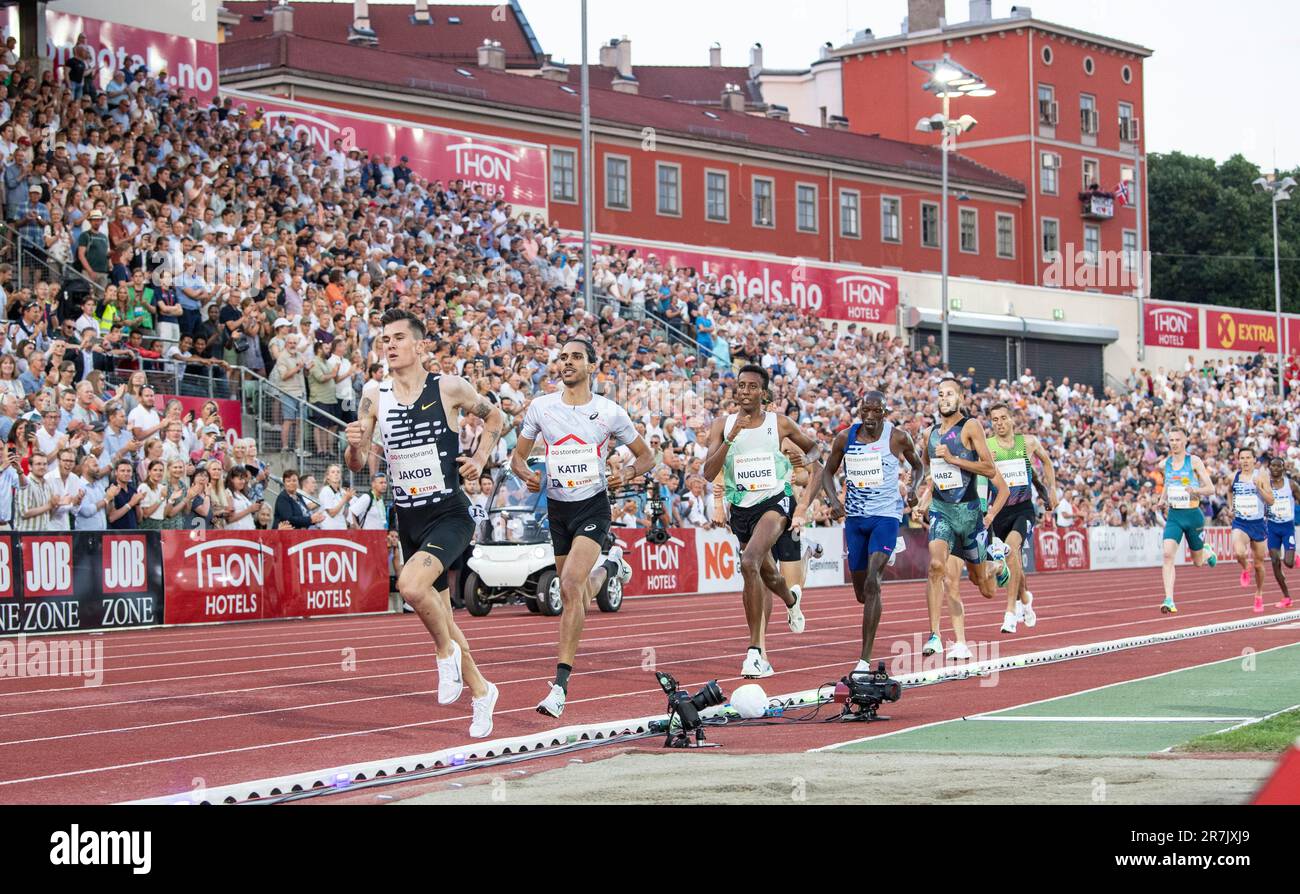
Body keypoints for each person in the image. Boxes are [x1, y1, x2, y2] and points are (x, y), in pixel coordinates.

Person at [345, 308, 504, 739]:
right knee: (445, 617)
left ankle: (443, 655)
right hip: (408, 517)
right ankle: (482, 692)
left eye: (398, 338)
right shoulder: (373, 394)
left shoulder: (448, 386)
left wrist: (479, 458)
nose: (390, 346)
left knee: (411, 588)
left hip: (449, 512)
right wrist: (354, 447)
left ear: (418, 345)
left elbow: (496, 417)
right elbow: (358, 462)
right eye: (384, 340)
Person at [511, 337, 653, 718]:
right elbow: (517, 459)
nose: (568, 362)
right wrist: (527, 475)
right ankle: (610, 570)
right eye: (563, 357)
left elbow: (646, 456)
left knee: (570, 585)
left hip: (593, 507)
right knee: (576, 594)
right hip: (558, 510)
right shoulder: (541, 407)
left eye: (576, 357)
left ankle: (559, 686)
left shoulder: (610, 413)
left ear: (592, 365)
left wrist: (627, 472)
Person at [702, 364, 818, 678]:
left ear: (763, 393)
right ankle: (791, 598)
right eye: (741, 385)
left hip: (776, 501)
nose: (746, 391)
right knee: (766, 574)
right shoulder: (721, 425)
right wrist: (731, 437)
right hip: (741, 508)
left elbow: (815, 451)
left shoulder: (780, 423)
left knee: (749, 561)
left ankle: (755, 652)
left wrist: (802, 462)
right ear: (734, 390)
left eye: (753, 386)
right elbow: (708, 472)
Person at [820, 391, 922, 672]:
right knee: (861, 592)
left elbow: (918, 465)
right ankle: (873, 595)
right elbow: (826, 472)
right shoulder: (845, 438)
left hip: (886, 517)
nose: (869, 416)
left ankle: (863, 659)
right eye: (865, 410)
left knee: (874, 581)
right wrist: (833, 501)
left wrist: (912, 489)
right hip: (855, 519)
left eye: (875, 411)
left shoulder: (898, 437)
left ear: (884, 413)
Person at [914, 378, 1007, 660]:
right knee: (938, 569)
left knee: (985, 588)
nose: (944, 398)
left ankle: (993, 566)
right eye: (940, 394)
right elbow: (929, 474)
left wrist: (955, 459)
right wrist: (922, 499)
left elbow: (989, 469)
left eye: (950, 393)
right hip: (942, 511)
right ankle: (939, 636)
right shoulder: (929, 434)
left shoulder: (970, 426)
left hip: (970, 516)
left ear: (961, 397)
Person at [986, 403, 1056, 634]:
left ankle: (1010, 613)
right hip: (999, 512)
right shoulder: (987, 447)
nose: (1000, 423)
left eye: (1004, 418)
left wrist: (1051, 490)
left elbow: (1046, 462)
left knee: (1011, 550)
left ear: (1012, 420)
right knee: (1012, 559)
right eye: (995, 419)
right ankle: (1025, 597)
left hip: (1023, 510)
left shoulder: (1027, 442)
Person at [1158, 429, 1218, 614]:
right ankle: (1169, 599)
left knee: (1198, 562)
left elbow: (1210, 489)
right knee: (1168, 554)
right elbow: (1168, 482)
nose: (1174, 443)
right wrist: (1162, 499)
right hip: (1175, 515)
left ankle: (1207, 552)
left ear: (1185, 442)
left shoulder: (1194, 461)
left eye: (1178, 440)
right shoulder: (1164, 464)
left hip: (1193, 515)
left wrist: (1196, 491)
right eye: (1171, 440)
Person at [1228, 447, 1273, 614]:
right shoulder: (1234, 477)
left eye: (1248, 458)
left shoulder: (1261, 477)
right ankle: (1245, 567)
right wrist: (1231, 506)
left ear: (1255, 460)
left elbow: (1271, 500)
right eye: (1242, 458)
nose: (1245, 461)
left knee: (1260, 564)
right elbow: (1229, 492)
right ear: (1238, 460)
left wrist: (1259, 488)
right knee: (1239, 552)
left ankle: (1259, 594)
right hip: (1241, 523)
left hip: (1258, 524)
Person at [1264, 456, 1300, 610]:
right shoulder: (1265, 485)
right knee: (1274, 561)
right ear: (1269, 467)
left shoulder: (1291, 485)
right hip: (1272, 527)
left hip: (1287, 527)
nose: (1276, 469)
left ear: (1283, 468)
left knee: (1289, 563)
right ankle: (1286, 597)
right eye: (1273, 466)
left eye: (1279, 466)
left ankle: (1295, 556)